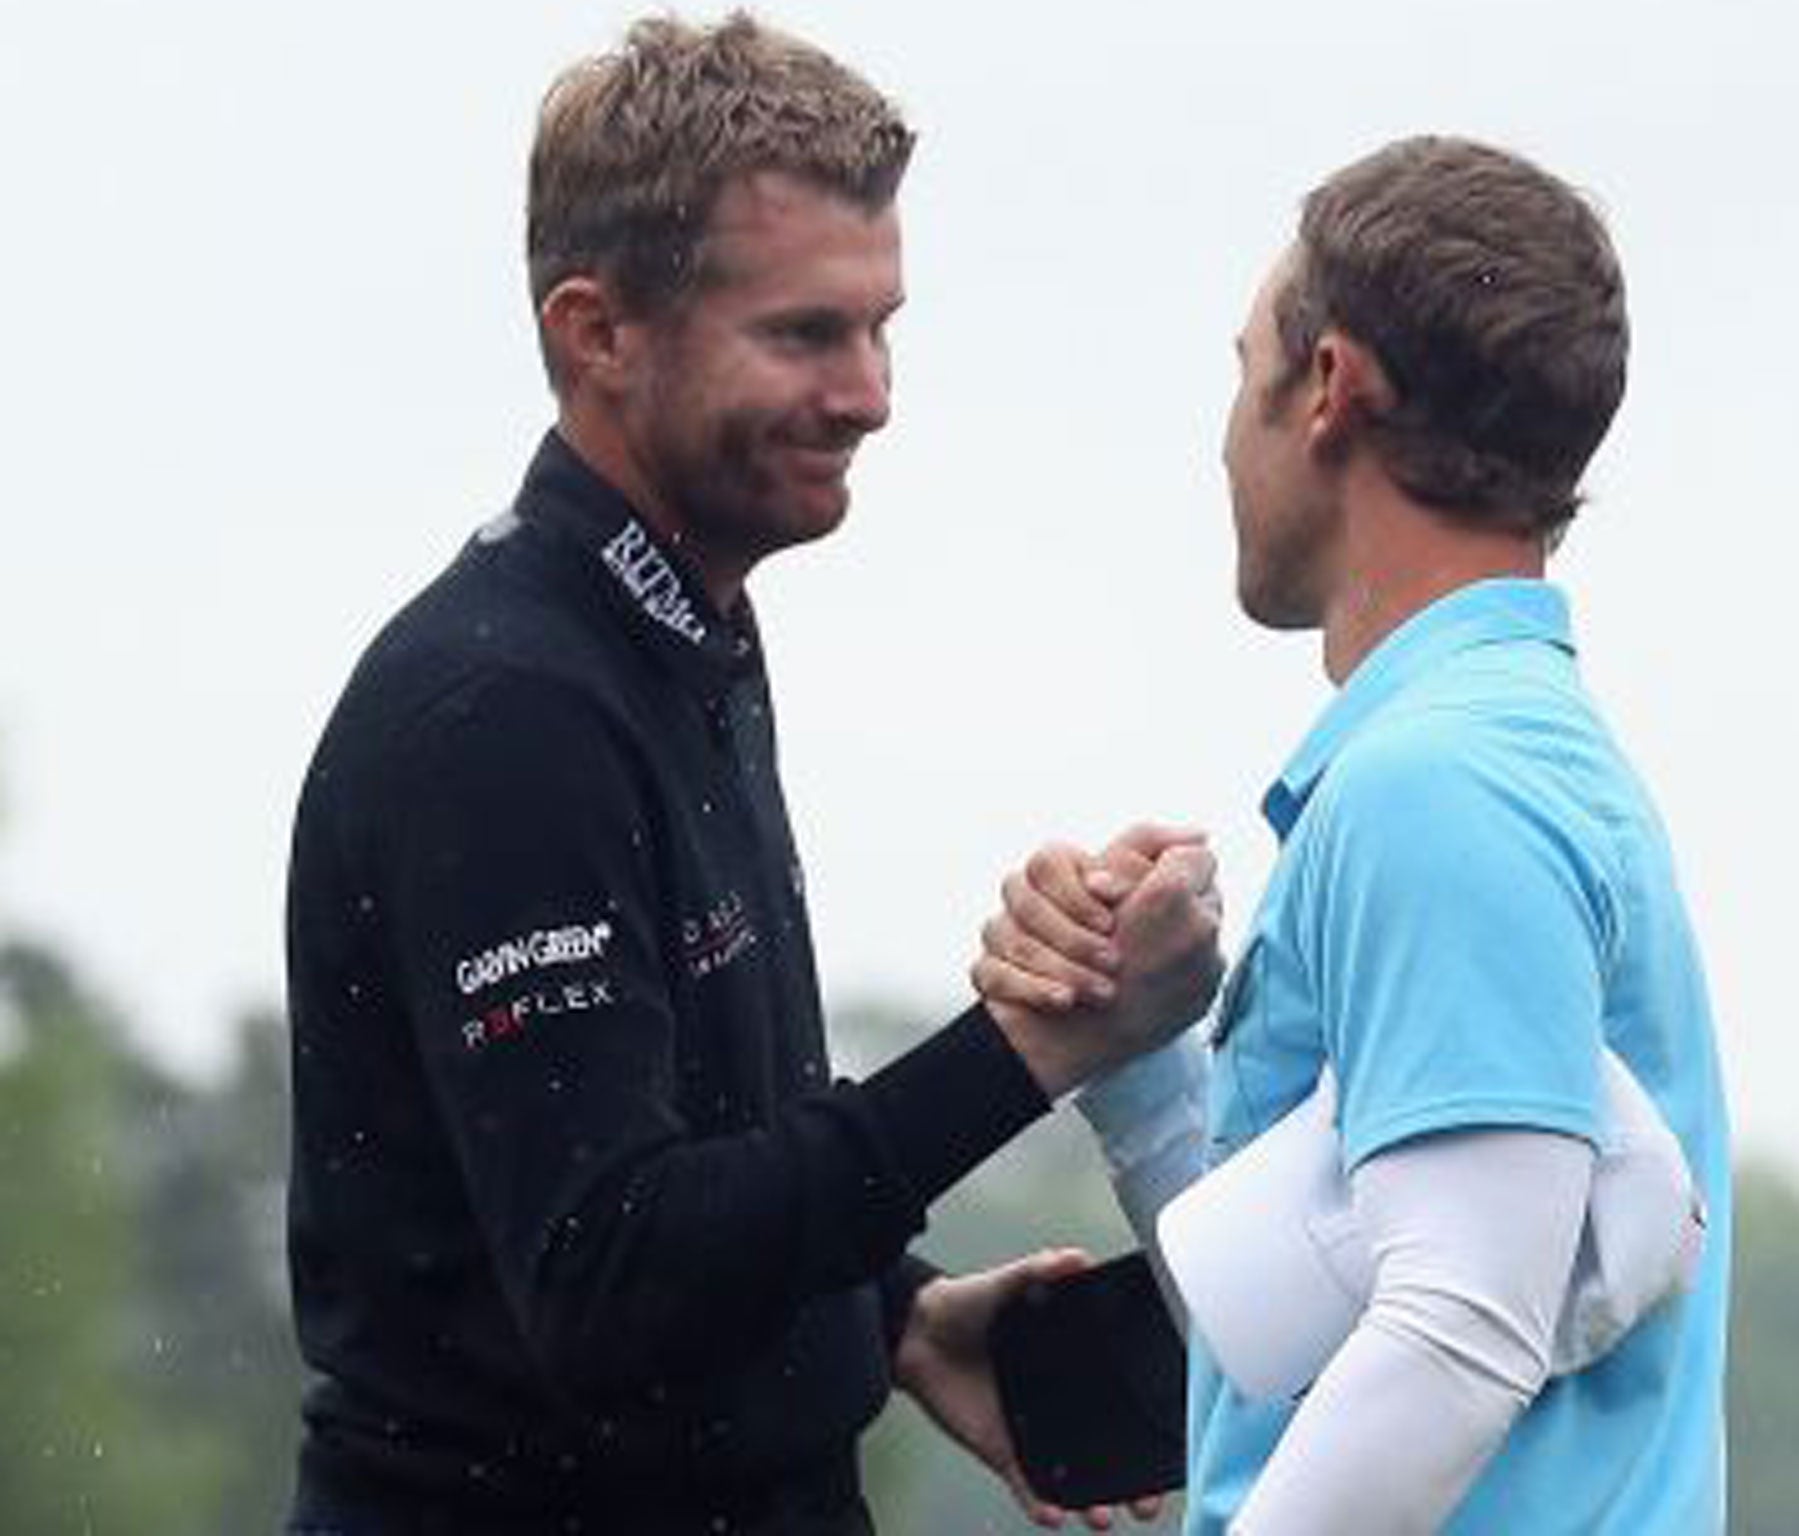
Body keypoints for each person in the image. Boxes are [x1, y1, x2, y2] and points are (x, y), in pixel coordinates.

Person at [281, 15, 1222, 1535]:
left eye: (881, 325)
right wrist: (1039, 1044)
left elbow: (682, 1135)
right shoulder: (502, 711)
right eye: (805, 334)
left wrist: (888, 1314)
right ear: (600, 332)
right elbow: (606, 1276)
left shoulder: (680, 626)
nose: (871, 392)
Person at [975, 136, 1731, 1533]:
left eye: (1240, 363)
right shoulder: (1495, 757)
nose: (1220, 435)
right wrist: (1139, 1059)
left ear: (1328, 387)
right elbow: (1315, 1326)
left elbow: (1461, 1329)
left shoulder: (1444, 787)